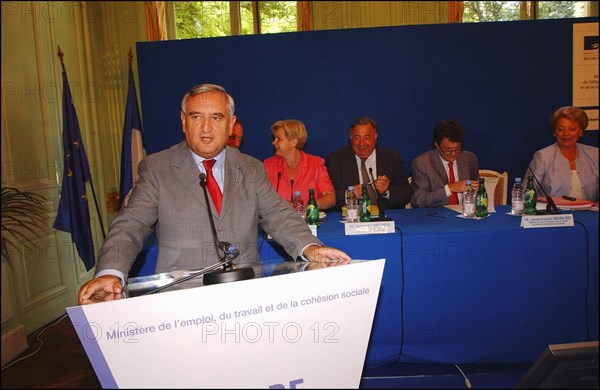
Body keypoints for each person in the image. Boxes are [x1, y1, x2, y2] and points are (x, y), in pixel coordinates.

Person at [78, 83, 350, 304]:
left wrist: (310, 247)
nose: (206, 127)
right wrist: (110, 272)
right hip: (182, 300)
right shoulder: (157, 168)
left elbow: (278, 214)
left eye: (216, 117)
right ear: (184, 121)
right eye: (197, 116)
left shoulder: (251, 167)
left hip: (248, 297)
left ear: (230, 124)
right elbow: (131, 225)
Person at [326, 116, 411, 211]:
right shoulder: (336, 159)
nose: (362, 144)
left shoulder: (392, 158)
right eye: (357, 138)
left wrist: (387, 191)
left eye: (367, 138)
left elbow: (406, 194)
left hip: (385, 217)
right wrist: (349, 194)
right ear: (350, 139)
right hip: (351, 218)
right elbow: (327, 195)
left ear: (375, 138)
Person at [525, 106, 598, 202]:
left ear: (580, 132)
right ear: (554, 132)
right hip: (554, 214)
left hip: (589, 214)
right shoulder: (543, 156)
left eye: (572, 129)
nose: (566, 133)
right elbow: (526, 194)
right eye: (561, 129)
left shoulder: (595, 154)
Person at [264, 119, 336, 210]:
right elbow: (262, 198)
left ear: (293, 142)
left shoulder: (316, 164)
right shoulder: (268, 164)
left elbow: (330, 198)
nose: (273, 142)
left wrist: (308, 209)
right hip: (277, 221)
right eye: (274, 138)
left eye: (278, 139)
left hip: (308, 221)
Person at [411, 119, 480, 208]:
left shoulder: (469, 158)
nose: (453, 154)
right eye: (447, 150)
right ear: (436, 145)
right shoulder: (422, 163)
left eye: (457, 149)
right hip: (437, 216)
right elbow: (419, 200)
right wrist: (449, 188)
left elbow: (478, 190)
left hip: (466, 213)